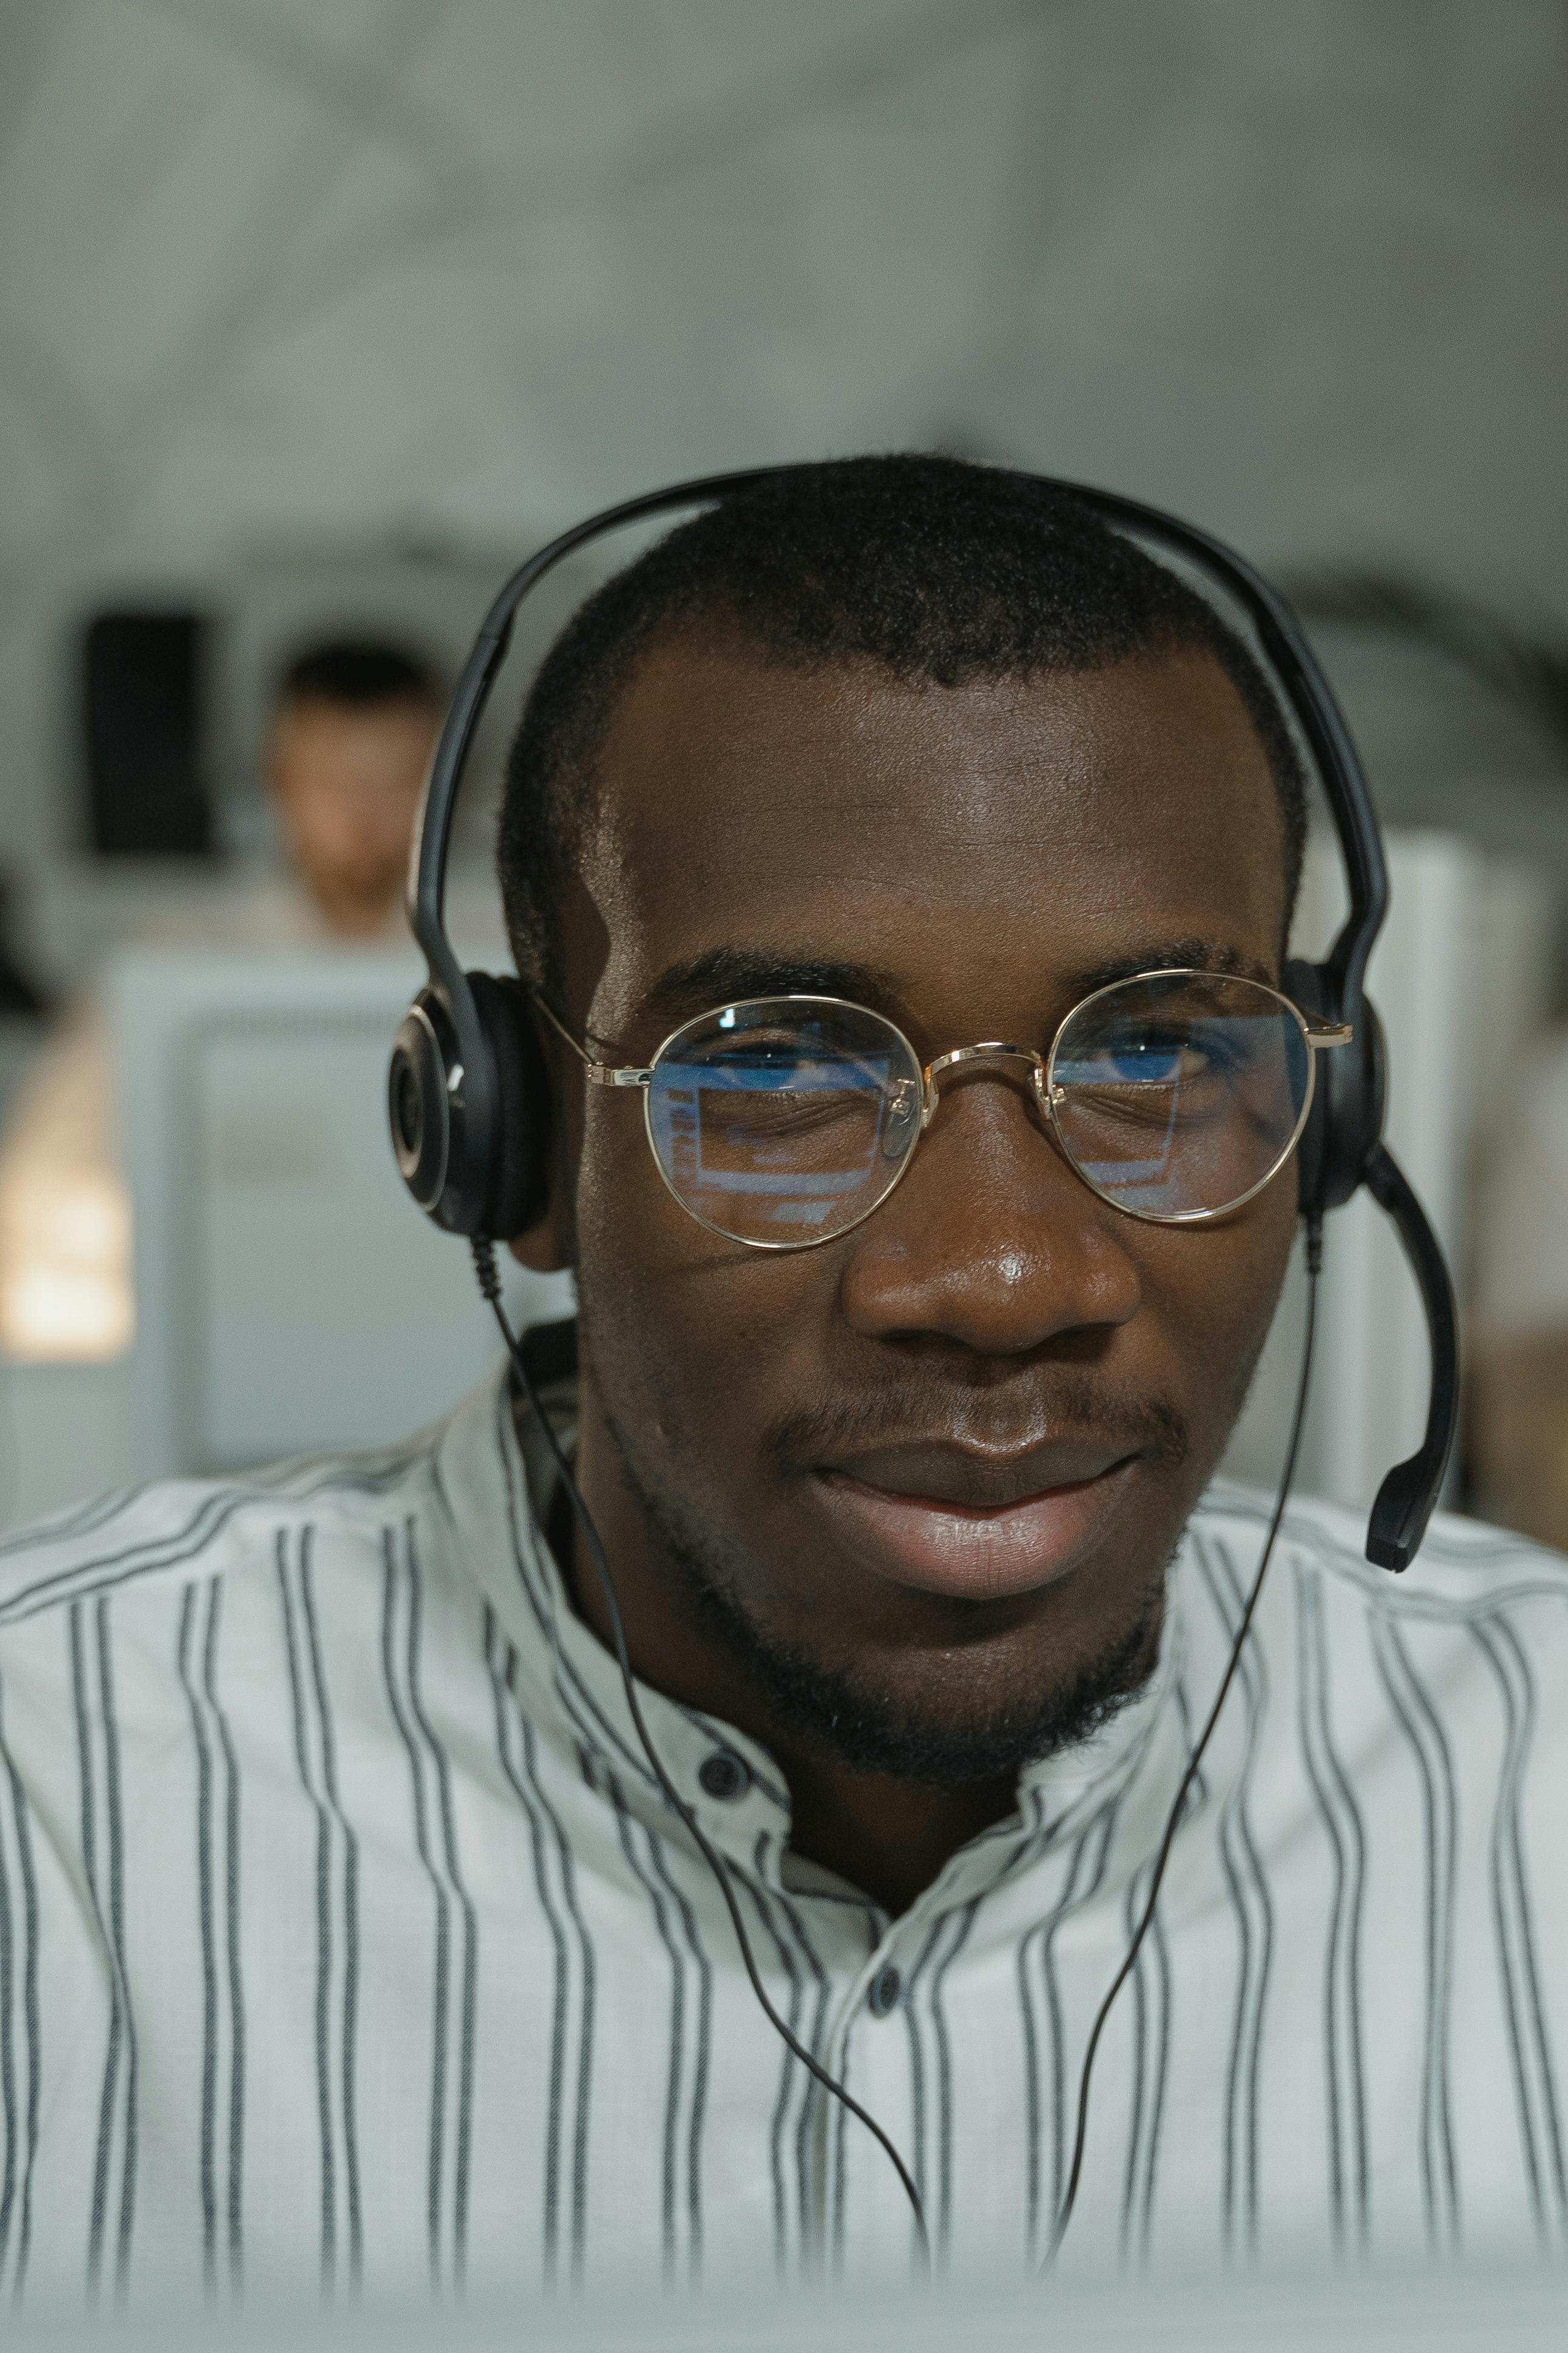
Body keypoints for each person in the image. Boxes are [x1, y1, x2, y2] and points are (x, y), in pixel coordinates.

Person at [0, 458, 1562, 2307]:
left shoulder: (1530, 1782)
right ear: (504, 1151)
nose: (998, 1280)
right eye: (769, 1076)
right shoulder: (56, 1810)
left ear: (1323, 1122)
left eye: (1152, 1050)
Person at [0, 637, 444, 1364]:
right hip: (223, 1348)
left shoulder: (505, 948)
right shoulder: (173, 964)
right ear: (277, 781)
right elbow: (46, 1193)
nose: (365, 817)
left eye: (398, 782)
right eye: (332, 781)